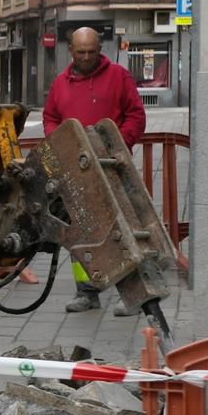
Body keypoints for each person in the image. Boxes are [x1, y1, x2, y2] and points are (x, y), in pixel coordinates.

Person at [42, 26, 147, 315]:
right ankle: (87, 293)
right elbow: (51, 117)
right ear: (71, 51)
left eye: (91, 51)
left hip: (114, 167)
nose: (86, 57)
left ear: (100, 49)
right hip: (78, 171)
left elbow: (136, 115)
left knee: (123, 229)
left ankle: (135, 294)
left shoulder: (118, 77)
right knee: (82, 233)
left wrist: (116, 145)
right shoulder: (61, 84)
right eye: (80, 52)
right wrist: (61, 142)